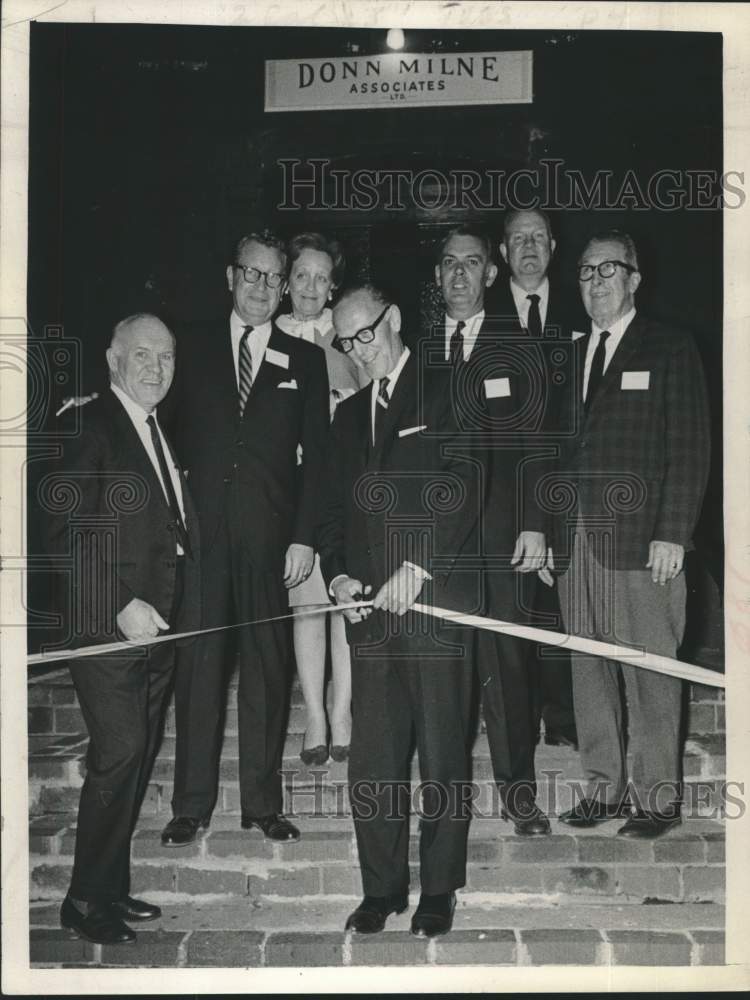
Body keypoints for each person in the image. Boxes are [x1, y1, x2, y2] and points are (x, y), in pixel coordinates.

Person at [319, 282, 481, 938]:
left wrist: (417, 567)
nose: (359, 351)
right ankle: (381, 888)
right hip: (371, 617)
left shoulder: (449, 387)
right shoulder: (347, 416)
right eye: (345, 342)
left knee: (442, 750)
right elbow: (332, 510)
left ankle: (438, 889)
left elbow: (464, 486)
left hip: (435, 604)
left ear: (393, 319)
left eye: (366, 334)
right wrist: (337, 576)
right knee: (375, 758)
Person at [159, 229, 329, 846]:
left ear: (283, 289)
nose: (261, 286)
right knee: (198, 672)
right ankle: (190, 805)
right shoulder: (189, 348)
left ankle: (261, 804)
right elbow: (161, 436)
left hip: (270, 543)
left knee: (266, 670)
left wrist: (304, 538)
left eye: (273, 277)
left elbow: (319, 461)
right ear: (230, 277)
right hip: (201, 542)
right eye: (251, 273)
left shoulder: (304, 360)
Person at [46, 314, 201, 944]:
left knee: (135, 755)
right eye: (142, 355)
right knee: (120, 753)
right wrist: (119, 604)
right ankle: (83, 901)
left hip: (156, 630)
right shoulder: (88, 424)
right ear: (113, 359)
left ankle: (109, 886)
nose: (156, 368)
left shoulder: (156, 428)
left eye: (166, 356)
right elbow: (64, 533)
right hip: (109, 629)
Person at [551, 230, 710, 838]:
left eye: (608, 269)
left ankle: (658, 798)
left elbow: (690, 448)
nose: (595, 282)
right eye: (585, 272)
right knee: (589, 669)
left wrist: (673, 533)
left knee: (650, 669)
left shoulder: (669, 346)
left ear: (635, 279)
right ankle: (602, 788)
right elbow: (556, 455)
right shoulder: (570, 357)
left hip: (644, 542)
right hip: (578, 542)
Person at [433, 223, 551, 836]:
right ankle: (445, 795)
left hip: (505, 539)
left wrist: (535, 524)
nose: (459, 273)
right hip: (440, 544)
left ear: (491, 272)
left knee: (507, 665)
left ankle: (518, 794)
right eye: (449, 263)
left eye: (471, 262)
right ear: (437, 275)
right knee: (445, 669)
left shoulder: (519, 344)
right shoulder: (418, 349)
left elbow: (538, 441)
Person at [276, 232, 368, 764]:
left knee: (344, 598)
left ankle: (342, 710)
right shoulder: (272, 337)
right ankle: (313, 713)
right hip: (296, 489)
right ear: (287, 282)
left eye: (321, 277)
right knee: (307, 603)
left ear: (333, 286)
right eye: (301, 275)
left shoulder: (349, 333)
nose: (311, 286)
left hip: (346, 485)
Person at [495, 208, 579, 750]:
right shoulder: (484, 315)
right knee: (511, 614)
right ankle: (515, 724)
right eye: (518, 239)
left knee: (559, 610)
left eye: (538, 237)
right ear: (503, 252)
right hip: (503, 494)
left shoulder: (581, 308)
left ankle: (563, 717)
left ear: (553, 246)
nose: (528, 247)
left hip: (565, 488)